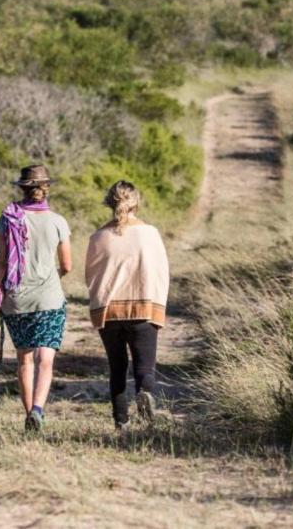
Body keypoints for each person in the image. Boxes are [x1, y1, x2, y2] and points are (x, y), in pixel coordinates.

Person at [0, 164, 72, 432]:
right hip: (49, 299)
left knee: (24, 359)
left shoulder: (8, 218)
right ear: (46, 188)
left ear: (22, 188)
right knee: (46, 359)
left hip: (16, 301)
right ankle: (38, 410)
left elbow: (0, 263)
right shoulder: (58, 222)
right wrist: (51, 278)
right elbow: (67, 266)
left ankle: (29, 413)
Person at [84, 180, 170, 430]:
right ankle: (145, 397)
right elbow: (161, 272)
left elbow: (91, 276)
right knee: (145, 367)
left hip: (109, 311)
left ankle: (121, 421)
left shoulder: (98, 237)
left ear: (109, 202)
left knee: (117, 368)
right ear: (136, 202)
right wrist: (158, 306)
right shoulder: (149, 233)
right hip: (143, 307)